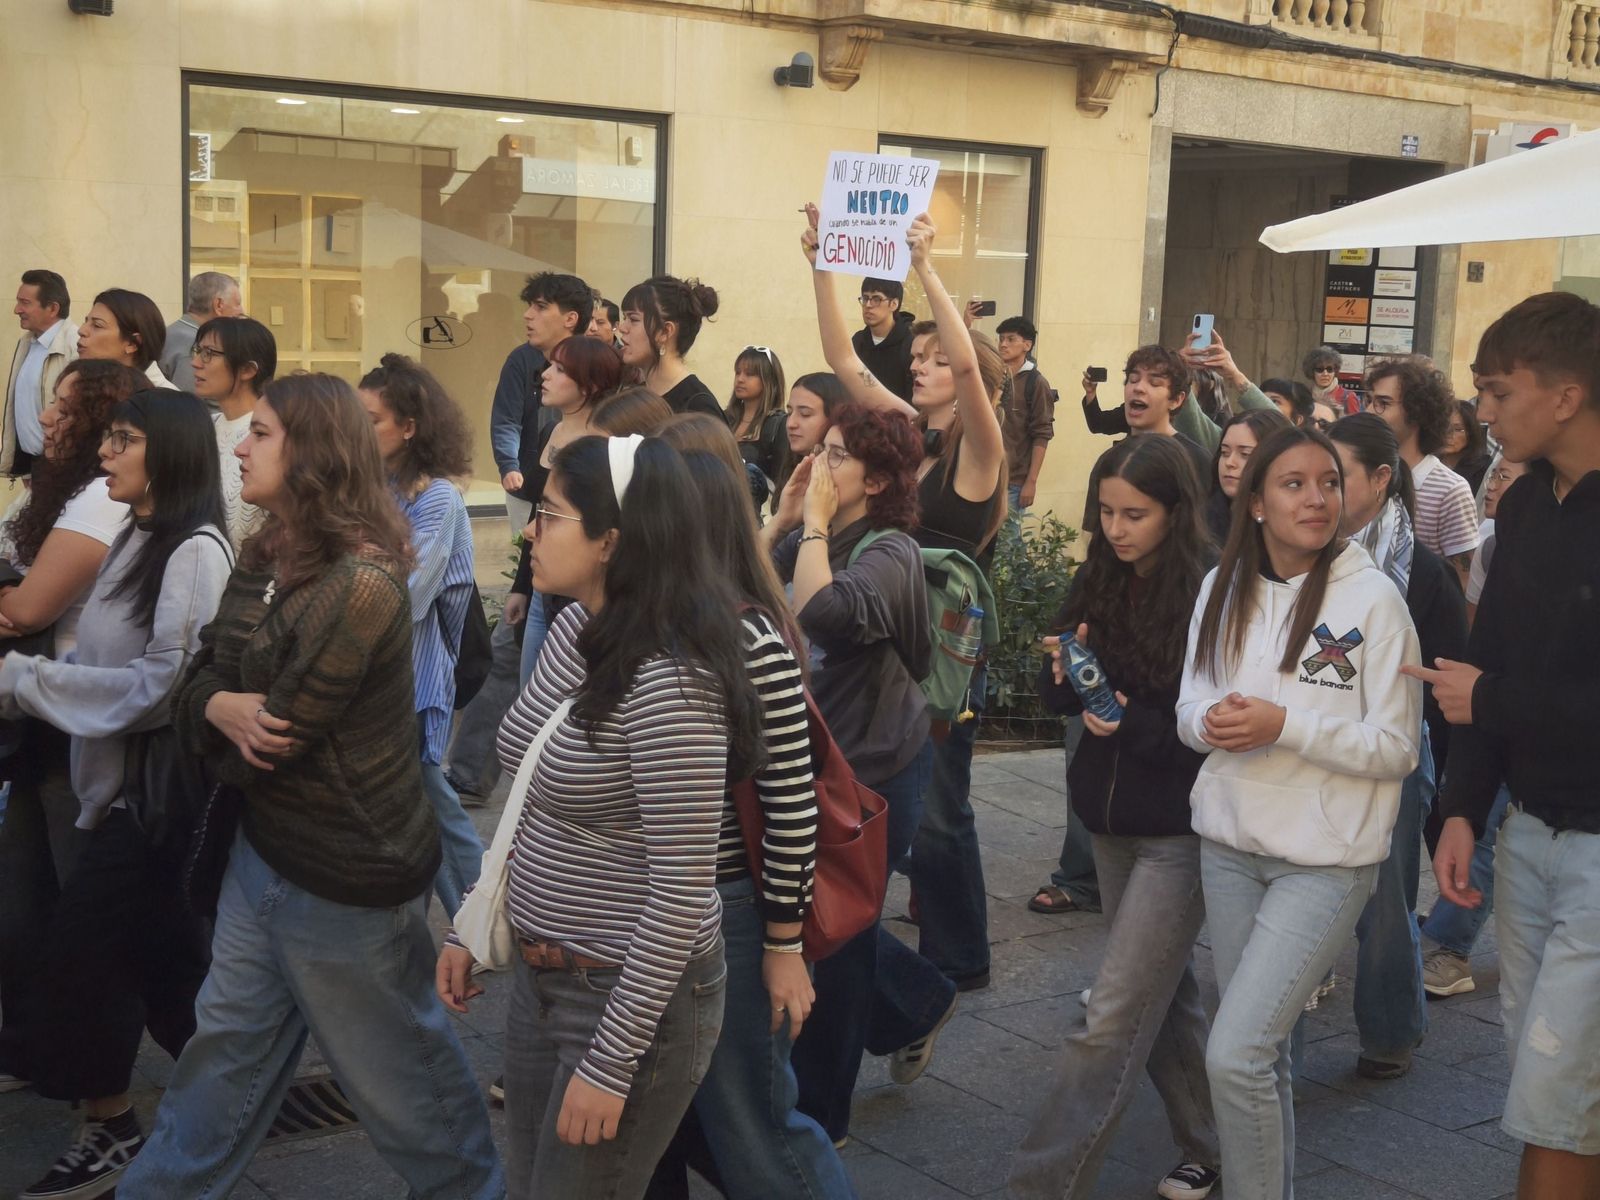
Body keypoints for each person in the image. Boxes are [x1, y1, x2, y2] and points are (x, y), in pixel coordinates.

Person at [116, 374, 502, 1199]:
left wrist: (211, 718)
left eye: (259, 433)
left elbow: (271, 745)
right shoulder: (266, 548)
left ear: (313, 457)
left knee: (405, 1090)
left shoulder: (359, 584)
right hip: (266, 854)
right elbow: (203, 679)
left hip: (347, 877)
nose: (240, 447)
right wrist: (216, 705)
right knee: (221, 1064)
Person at [437, 434, 754, 1200]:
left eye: (549, 515)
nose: (527, 533)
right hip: (547, 977)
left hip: (622, 998)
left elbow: (680, 898)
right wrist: (471, 923)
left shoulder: (673, 684)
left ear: (613, 540)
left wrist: (611, 1066)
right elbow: (537, 795)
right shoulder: (582, 630)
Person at [1178, 424, 1420, 1200]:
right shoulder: (1222, 586)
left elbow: (1396, 749)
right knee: (1265, 1054)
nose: (1317, 499)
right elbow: (1189, 703)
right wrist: (1208, 724)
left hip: (1326, 860)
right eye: (1293, 484)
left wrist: (1287, 727)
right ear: (1253, 503)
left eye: (1327, 482)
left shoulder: (1374, 600)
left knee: (1235, 1053)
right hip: (1228, 843)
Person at [3, 390, 232, 1200]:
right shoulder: (138, 535)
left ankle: (111, 1128)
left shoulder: (196, 551)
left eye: (123, 441)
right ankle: (230, 1103)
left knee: (84, 961)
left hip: (155, 809)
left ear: (165, 454)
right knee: (168, 975)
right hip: (117, 797)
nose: (105, 454)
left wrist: (27, 681)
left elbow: (162, 688)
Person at [1416, 292, 1600, 1200]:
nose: (1480, 412)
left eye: (1495, 390)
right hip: (1524, 839)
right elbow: (1482, 661)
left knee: (1557, 1106)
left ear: (1564, 396)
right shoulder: (1523, 503)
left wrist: (1489, 696)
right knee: (1550, 1096)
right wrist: (1458, 810)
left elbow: (1487, 685)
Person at [1009, 434, 1221, 1200]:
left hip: (1177, 834)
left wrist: (1129, 721)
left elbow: (1211, 731)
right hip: (1107, 823)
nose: (1117, 528)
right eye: (1106, 512)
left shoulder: (1209, 592)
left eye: (1135, 514)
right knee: (1162, 1004)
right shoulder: (1098, 573)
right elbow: (1056, 692)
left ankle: (1039, 1185)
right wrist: (1065, 673)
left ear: (1175, 511)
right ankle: (1214, 1146)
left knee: (1109, 1017)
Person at [803, 204, 1007, 992]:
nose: (918, 367)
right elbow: (841, 363)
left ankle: (961, 960)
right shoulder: (906, 439)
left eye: (932, 360)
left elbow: (968, 368)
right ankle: (918, 942)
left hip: (943, 650)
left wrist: (927, 267)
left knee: (941, 813)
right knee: (911, 809)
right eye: (914, 357)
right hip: (885, 636)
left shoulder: (980, 452)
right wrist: (821, 262)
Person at [644, 440, 852, 1200]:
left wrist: (782, 944)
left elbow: (791, 805)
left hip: (730, 909)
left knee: (757, 1127)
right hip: (670, 912)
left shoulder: (745, 637)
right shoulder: (654, 622)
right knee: (691, 1122)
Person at [765, 403, 949, 1144]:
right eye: (821, 450)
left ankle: (821, 1118)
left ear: (875, 482)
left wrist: (809, 526)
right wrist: (780, 520)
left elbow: (824, 610)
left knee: (834, 947)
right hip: (808, 761)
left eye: (836, 456)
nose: (818, 465)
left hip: (875, 772)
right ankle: (916, 1000)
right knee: (829, 924)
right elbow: (734, 593)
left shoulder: (890, 552)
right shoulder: (814, 534)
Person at [0, 359, 139, 1096]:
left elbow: (24, 609)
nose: (47, 419)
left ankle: (95, 1081)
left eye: (63, 409)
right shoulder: (56, 491)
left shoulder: (96, 497)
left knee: (76, 902)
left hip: (72, 723)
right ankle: (32, 1048)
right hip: (42, 718)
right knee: (23, 895)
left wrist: (17, 594)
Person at [1326, 412, 1467, 1080]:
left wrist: (1452, 799)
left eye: (1335, 478)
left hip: (1392, 751)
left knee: (1385, 901)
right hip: (1306, 744)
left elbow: (1447, 691)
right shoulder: (1295, 553)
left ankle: (1390, 1032)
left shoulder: (1425, 575)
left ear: (1381, 480)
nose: (1318, 494)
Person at [448, 271, 593, 801]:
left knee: (545, 671)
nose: (529, 315)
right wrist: (511, 469)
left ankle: (526, 783)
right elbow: (507, 422)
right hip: (539, 553)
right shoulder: (549, 419)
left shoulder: (602, 431)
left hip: (576, 578)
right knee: (517, 654)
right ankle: (477, 775)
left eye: (540, 306)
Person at [358, 353, 481, 917]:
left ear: (409, 428)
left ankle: (480, 919)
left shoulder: (438, 500)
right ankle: (461, 922)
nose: (359, 432)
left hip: (415, 679)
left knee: (434, 803)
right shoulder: (368, 488)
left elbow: (402, 598)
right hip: (373, 677)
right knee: (416, 808)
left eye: (373, 420)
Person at [1417, 453, 1525, 997]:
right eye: (1495, 472)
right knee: (1478, 826)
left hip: (1534, 725)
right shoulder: (1492, 545)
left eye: (1506, 476)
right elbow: (1482, 635)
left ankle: (1449, 945)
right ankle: (1450, 945)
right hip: (1493, 711)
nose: (1492, 484)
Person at [504, 335, 626, 684]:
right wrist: (522, 587)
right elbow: (540, 515)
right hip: (543, 586)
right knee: (529, 687)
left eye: (559, 369)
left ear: (589, 384)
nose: (545, 375)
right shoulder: (550, 430)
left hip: (579, 590)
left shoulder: (605, 444)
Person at [1365, 358, 1479, 589]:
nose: (1369, 411)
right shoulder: (1360, 475)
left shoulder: (1451, 490)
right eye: (1369, 401)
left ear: (1417, 411)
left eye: (1383, 403)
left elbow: (1464, 581)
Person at [1079, 346, 1212, 516]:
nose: (1138, 388)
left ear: (1177, 400)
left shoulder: (1196, 460)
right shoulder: (1110, 461)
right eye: (1133, 380)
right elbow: (1093, 534)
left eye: (1154, 383)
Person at [188, 315, 276, 549]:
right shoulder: (203, 427)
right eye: (197, 351)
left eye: (209, 354)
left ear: (247, 369)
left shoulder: (272, 435)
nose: (196, 362)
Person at [5, 269, 77, 477]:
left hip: (62, 469)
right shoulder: (28, 343)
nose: (17, 310)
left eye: (25, 302)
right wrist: (26, 471)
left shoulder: (75, 346)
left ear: (52, 308)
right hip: (35, 467)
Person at [618, 275, 722, 416]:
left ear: (665, 332)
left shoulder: (698, 408)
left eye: (633, 319)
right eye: (624, 318)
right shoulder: (633, 399)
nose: (622, 328)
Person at [996, 315, 1056, 513]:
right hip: (984, 475)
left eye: (1011, 339)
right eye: (1001, 339)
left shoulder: (1036, 383)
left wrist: (1031, 482)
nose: (1003, 344)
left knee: (1008, 541)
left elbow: (1042, 434)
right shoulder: (992, 376)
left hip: (1014, 481)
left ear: (1027, 345)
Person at [1208, 409, 1292, 544]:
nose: (1230, 463)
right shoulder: (1198, 523)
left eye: (1245, 454)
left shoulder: (1296, 525)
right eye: (1225, 452)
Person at [772, 371, 849, 506]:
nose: (790, 424)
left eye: (805, 414)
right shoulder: (792, 467)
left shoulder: (844, 489)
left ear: (834, 417)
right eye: (789, 413)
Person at [75, 289, 176, 390]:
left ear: (132, 344)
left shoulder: (164, 401)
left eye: (97, 325)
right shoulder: (84, 387)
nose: (81, 330)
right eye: (86, 321)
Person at [161, 272, 241, 393]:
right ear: (219, 305)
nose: (241, 311)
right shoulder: (196, 344)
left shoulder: (173, 332)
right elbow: (191, 402)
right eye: (238, 303)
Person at [724, 345, 787, 496]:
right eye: (738, 372)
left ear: (768, 380)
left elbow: (781, 480)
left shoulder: (778, 425)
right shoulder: (724, 418)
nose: (740, 379)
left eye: (750, 374)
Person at [850, 277, 916, 402]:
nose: (868, 305)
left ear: (894, 304)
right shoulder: (858, 341)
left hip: (900, 418)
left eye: (876, 299)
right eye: (865, 298)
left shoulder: (911, 343)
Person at [1440, 397, 1491, 496]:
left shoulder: (1482, 467)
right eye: (1444, 427)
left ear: (1471, 433)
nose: (1448, 435)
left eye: (1458, 429)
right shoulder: (1430, 461)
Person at [1303, 345, 1359, 415]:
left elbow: (1355, 424)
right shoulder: (1305, 396)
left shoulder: (1348, 397)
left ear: (1335, 371)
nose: (1325, 374)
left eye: (1330, 369)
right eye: (1320, 369)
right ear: (1312, 372)